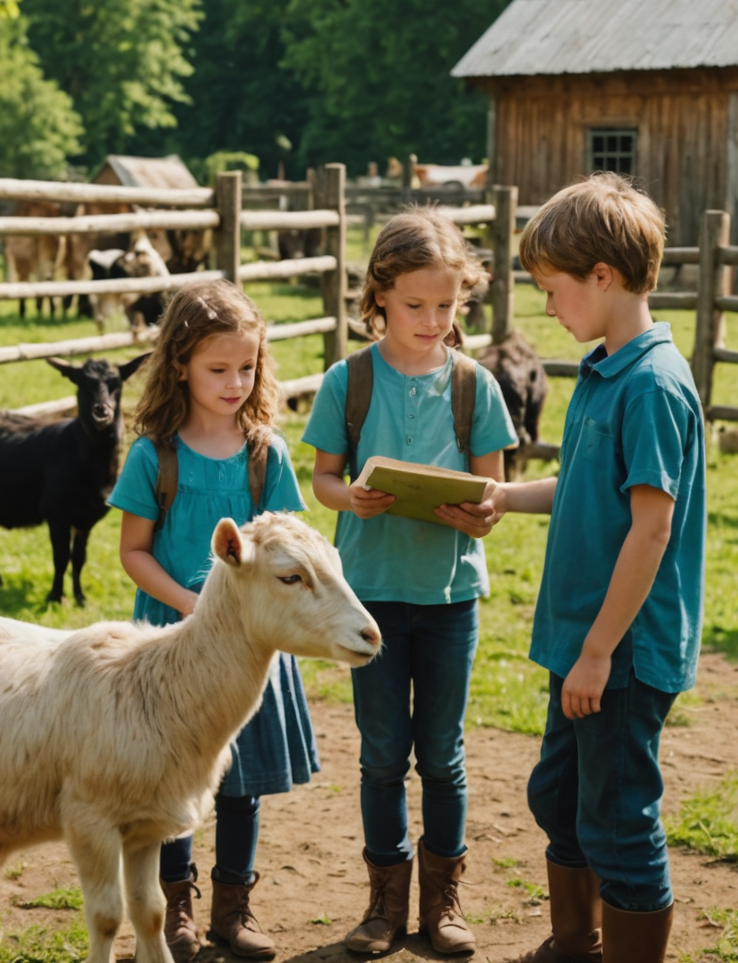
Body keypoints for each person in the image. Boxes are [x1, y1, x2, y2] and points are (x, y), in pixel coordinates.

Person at [471, 174, 706, 963]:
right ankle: (575, 943)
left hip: (622, 652)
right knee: (562, 797)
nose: (547, 307)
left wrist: (602, 650)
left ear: (601, 276)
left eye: (552, 288)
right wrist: (505, 495)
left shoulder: (651, 385)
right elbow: (581, 485)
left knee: (617, 814)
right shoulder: (604, 370)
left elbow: (651, 530)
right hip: (583, 641)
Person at [301, 207, 517, 956]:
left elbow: (495, 489)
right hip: (370, 599)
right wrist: (349, 497)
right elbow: (323, 479)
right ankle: (383, 907)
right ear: (381, 297)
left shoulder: (475, 384)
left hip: (451, 598)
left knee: (444, 755)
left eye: (447, 306)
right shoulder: (347, 380)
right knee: (382, 754)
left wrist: (480, 515)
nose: (433, 321)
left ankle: (444, 904)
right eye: (416, 305)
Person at [109, 279, 317, 962]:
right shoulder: (154, 456)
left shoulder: (268, 455)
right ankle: (176, 911)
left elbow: (292, 543)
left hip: (255, 650)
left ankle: (235, 906)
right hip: (172, 647)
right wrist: (192, 604)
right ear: (180, 366)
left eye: (247, 368)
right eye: (217, 369)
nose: (235, 383)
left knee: (242, 782)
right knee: (171, 779)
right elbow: (133, 552)